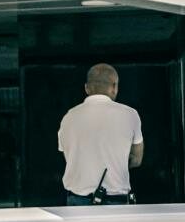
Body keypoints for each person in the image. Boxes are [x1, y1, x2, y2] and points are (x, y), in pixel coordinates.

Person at [58, 63, 144, 204]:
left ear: (86, 88)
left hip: (77, 203)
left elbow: (69, 157)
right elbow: (136, 159)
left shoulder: (68, 117)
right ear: (114, 87)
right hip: (116, 202)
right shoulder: (130, 115)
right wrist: (116, 162)